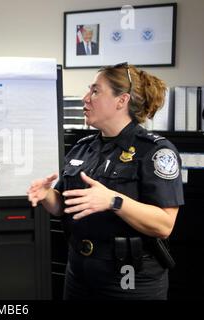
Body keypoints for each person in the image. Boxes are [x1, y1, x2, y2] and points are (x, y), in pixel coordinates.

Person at [27, 62, 184, 300]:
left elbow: (164, 225)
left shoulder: (154, 151)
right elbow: (63, 206)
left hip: (129, 277)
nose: (86, 98)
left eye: (95, 91)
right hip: (79, 272)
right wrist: (47, 194)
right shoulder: (83, 148)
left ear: (121, 100)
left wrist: (114, 200)